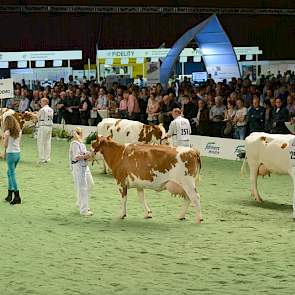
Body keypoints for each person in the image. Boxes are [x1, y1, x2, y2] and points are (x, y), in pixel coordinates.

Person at [69, 127, 94, 216]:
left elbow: (82, 154)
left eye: (80, 132)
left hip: (84, 166)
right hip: (78, 166)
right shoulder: (75, 143)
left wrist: (89, 154)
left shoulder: (80, 143)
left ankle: (81, 203)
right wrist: (87, 155)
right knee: (82, 187)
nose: (80, 134)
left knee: (90, 184)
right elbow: (77, 156)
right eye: (78, 133)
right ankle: (84, 209)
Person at [2, 115, 22, 205]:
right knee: (9, 173)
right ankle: (9, 194)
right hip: (17, 153)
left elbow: (5, 145)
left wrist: (3, 140)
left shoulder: (7, 132)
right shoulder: (19, 131)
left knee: (12, 174)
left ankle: (17, 196)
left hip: (10, 154)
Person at [37, 98, 54, 163]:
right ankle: (47, 158)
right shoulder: (51, 110)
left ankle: (42, 158)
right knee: (47, 142)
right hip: (49, 126)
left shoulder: (42, 109)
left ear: (44, 102)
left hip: (43, 126)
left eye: (41, 102)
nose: (40, 103)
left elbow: (37, 117)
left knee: (41, 142)